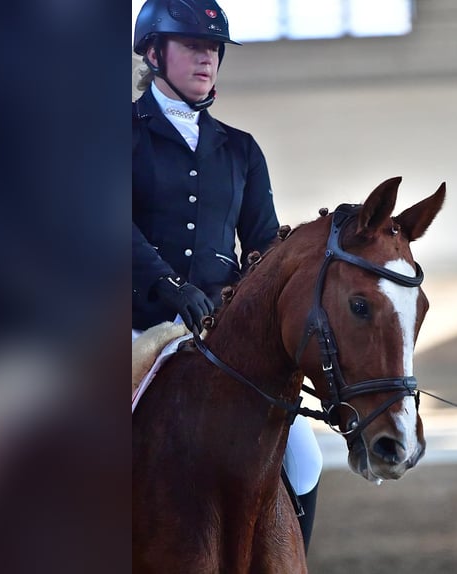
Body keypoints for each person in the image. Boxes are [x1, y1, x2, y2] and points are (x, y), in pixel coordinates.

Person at [132, 0, 322, 553]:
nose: (207, 60)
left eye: (213, 50)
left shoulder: (240, 148)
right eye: (193, 47)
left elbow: (264, 244)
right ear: (152, 52)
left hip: (218, 333)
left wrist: (252, 301)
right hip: (134, 324)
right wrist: (169, 286)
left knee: (303, 458)